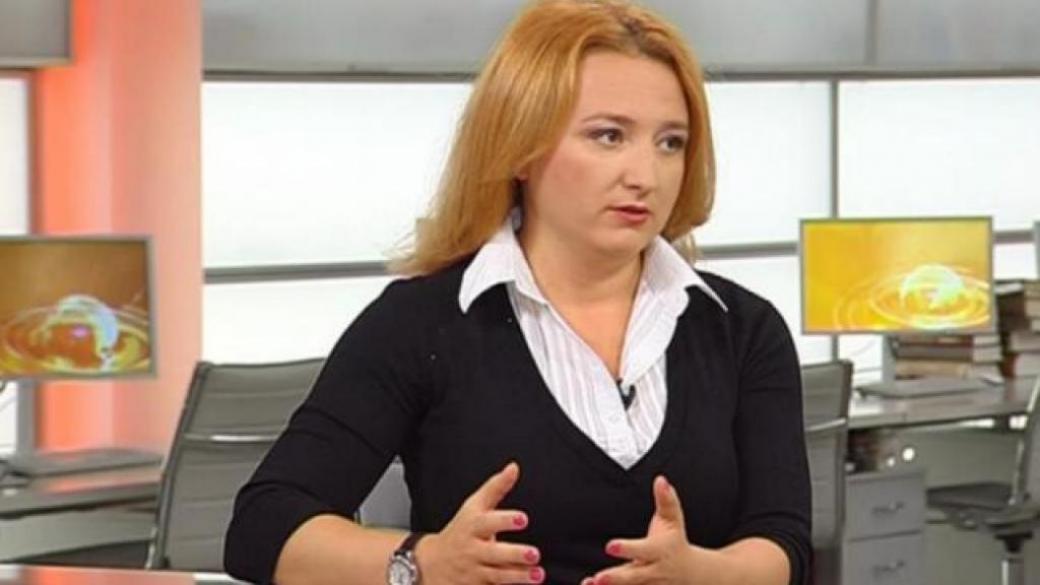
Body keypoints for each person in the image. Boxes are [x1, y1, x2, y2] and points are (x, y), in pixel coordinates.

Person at [223, 0, 810, 584]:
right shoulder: (423, 324)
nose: (645, 175)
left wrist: (701, 574)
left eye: (670, 143)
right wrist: (423, 562)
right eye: (608, 136)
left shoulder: (741, 329)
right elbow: (264, 527)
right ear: (522, 147)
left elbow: (784, 544)